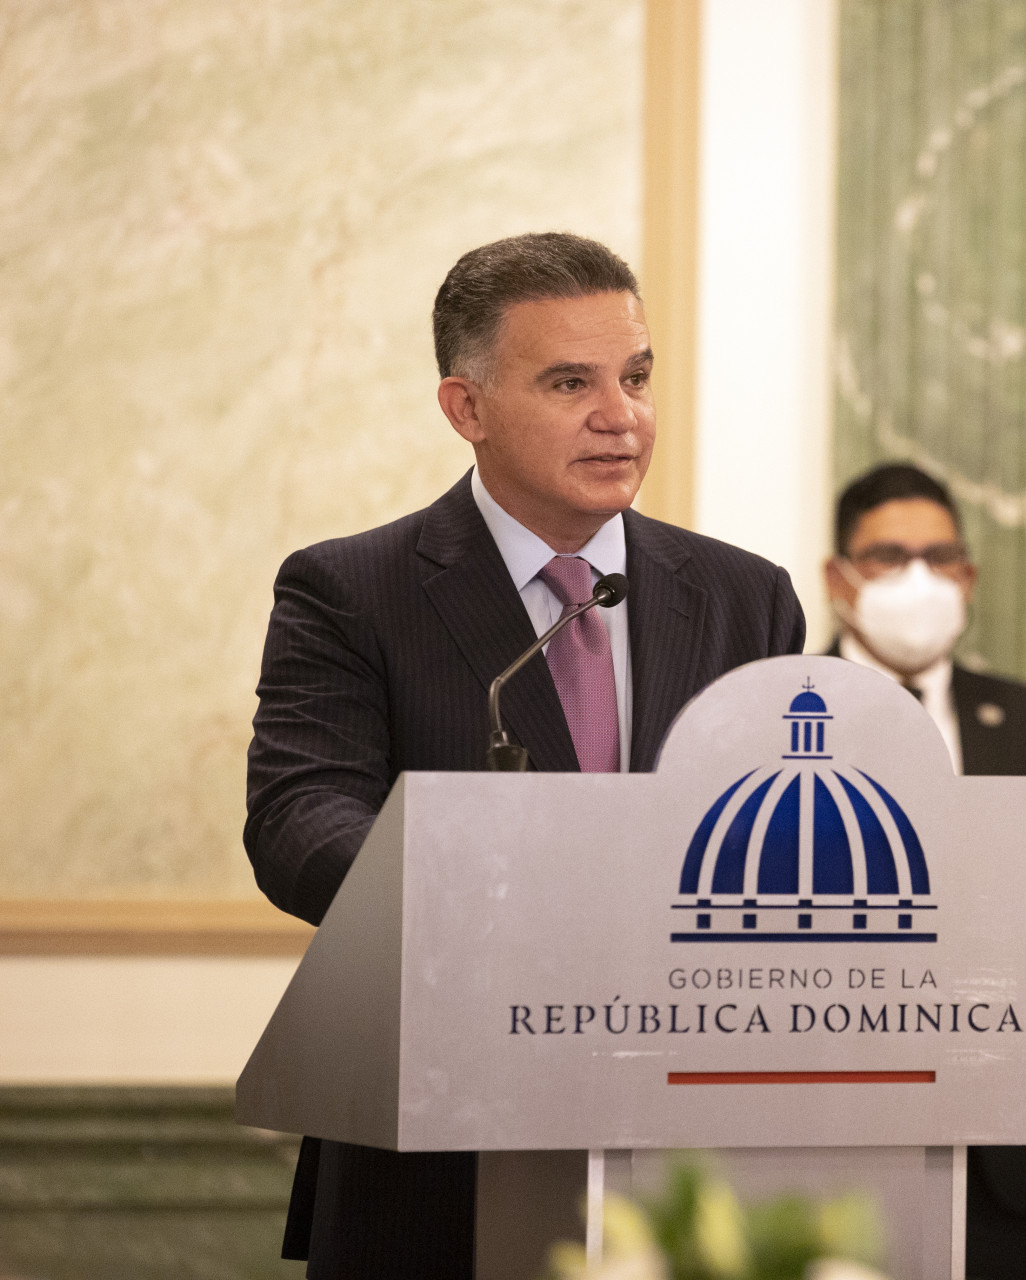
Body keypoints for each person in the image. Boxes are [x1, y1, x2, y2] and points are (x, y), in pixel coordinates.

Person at [245, 232, 806, 1278]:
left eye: (636, 376)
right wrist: (489, 902)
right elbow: (299, 819)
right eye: (569, 382)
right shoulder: (352, 590)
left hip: (689, 1151)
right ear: (467, 408)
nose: (621, 415)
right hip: (437, 1159)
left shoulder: (746, 597)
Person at [822, 462, 1026, 1277]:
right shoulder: (771, 714)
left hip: (1003, 1146)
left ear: (969, 578)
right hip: (826, 1123)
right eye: (888, 556)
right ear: (837, 579)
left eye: (940, 557)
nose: (919, 578)